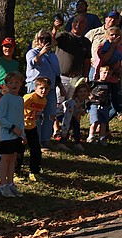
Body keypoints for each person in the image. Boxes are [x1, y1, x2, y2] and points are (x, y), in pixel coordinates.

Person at [55, 14, 92, 143]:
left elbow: (87, 60)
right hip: (62, 77)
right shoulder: (64, 36)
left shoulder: (86, 41)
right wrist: (55, 28)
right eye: (76, 22)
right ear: (72, 23)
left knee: (74, 106)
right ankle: (56, 130)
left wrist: (86, 75)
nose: (78, 24)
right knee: (59, 105)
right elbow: (52, 41)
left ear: (85, 25)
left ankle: (70, 132)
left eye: (81, 23)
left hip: (77, 78)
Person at [25, 30, 63, 148]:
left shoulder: (53, 56)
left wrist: (61, 87)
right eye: (42, 38)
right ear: (37, 39)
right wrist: (41, 53)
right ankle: (35, 140)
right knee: (35, 114)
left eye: (47, 39)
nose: (45, 41)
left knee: (50, 114)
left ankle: (46, 139)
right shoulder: (32, 52)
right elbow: (32, 64)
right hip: (35, 87)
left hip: (50, 87)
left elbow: (57, 73)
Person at [0, 71, 26, 197]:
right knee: (6, 158)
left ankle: (10, 183)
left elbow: (20, 118)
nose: (14, 85)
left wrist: (22, 134)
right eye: (11, 82)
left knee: (13, 158)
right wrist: (12, 127)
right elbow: (0, 118)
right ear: (7, 84)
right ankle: (2, 184)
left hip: (17, 135)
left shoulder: (20, 99)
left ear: (21, 84)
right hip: (7, 135)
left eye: (17, 82)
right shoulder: (5, 98)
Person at [89, 67, 114, 143]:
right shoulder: (94, 83)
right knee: (95, 121)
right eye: (104, 73)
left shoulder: (109, 85)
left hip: (105, 105)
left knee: (103, 122)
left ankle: (102, 137)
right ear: (99, 73)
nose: (106, 75)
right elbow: (88, 91)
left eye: (108, 73)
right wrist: (91, 96)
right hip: (95, 104)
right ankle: (91, 136)